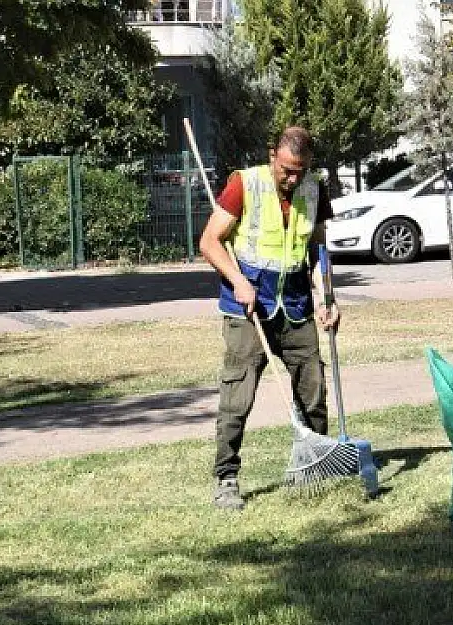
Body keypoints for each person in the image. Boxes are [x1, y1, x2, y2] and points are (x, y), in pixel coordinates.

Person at [199, 126, 340, 511]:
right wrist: (240, 283)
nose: (293, 178)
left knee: (313, 390)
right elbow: (209, 242)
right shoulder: (244, 184)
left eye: (302, 170)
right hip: (247, 308)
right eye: (288, 169)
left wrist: (326, 296)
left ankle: (318, 462)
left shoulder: (314, 189)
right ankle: (226, 478)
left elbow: (317, 250)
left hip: (295, 305)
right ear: (272, 155)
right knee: (237, 397)